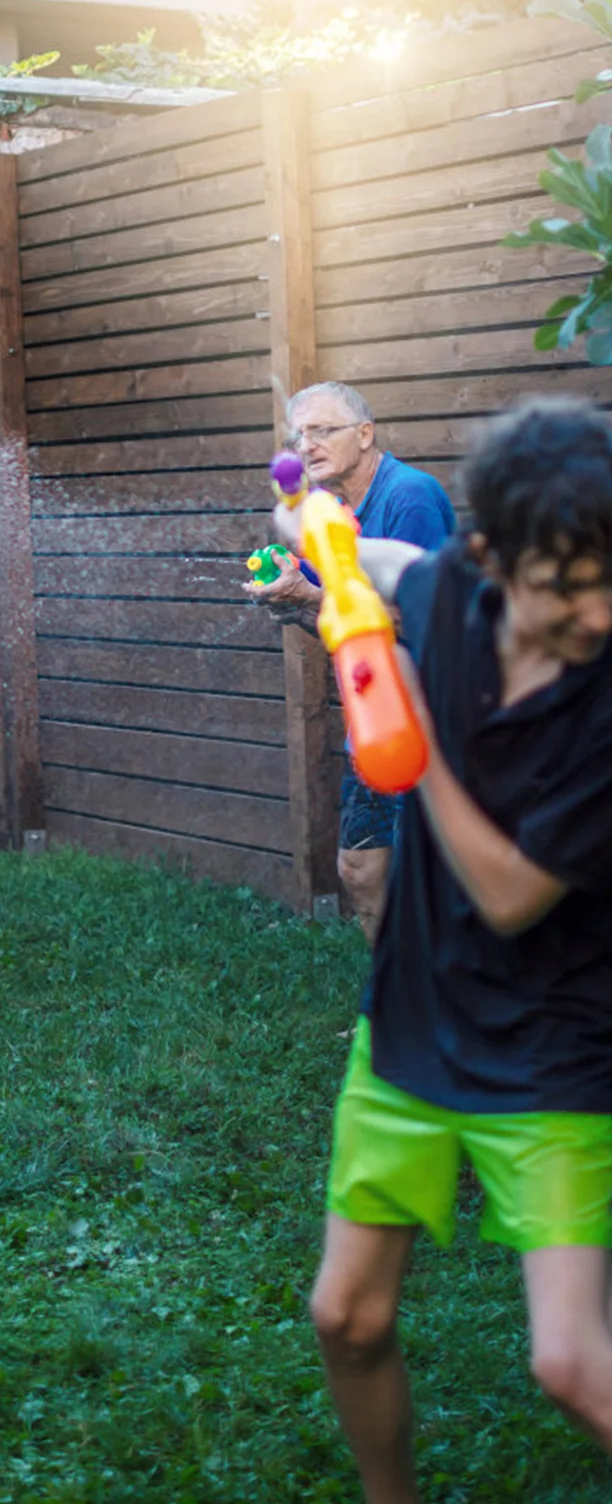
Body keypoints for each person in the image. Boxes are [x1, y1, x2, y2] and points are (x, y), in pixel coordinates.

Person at [290, 398, 612, 1502]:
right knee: (346, 1314)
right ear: (489, 558)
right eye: (566, 581)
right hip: (412, 1018)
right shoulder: (444, 593)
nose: (595, 610)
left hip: (551, 1046)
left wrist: (408, 732)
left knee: (572, 1365)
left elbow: (514, 891)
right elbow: (362, 553)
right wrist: (309, 525)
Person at [245, 382, 455, 942]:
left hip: (435, 722)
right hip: (376, 716)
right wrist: (290, 600)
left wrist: (310, 599)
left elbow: (427, 621)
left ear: (366, 434)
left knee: (433, 882)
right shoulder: (331, 511)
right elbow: (347, 625)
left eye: (322, 430)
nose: (307, 446)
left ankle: (433, 1010)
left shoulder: (410, 495)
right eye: (298, 436)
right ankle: (391, 1007)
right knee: (360, 872)